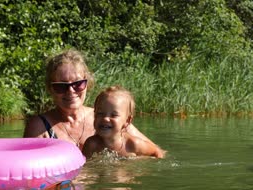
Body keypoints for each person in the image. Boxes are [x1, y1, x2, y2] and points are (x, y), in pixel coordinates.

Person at [23, 49, 154, 150]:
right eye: (61, 86)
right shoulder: (40, 126)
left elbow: (155, 153)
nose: (71, 91)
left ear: (87, 83)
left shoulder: (106, 117)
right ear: (50, 88)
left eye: (77, 84)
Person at [82, 86, 165, 159]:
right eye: (100, 114)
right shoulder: (92, 144)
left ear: (127, 121)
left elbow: (156, 152)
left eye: (113, 115)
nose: (106, 119)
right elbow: (84, 166)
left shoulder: (133, 144)